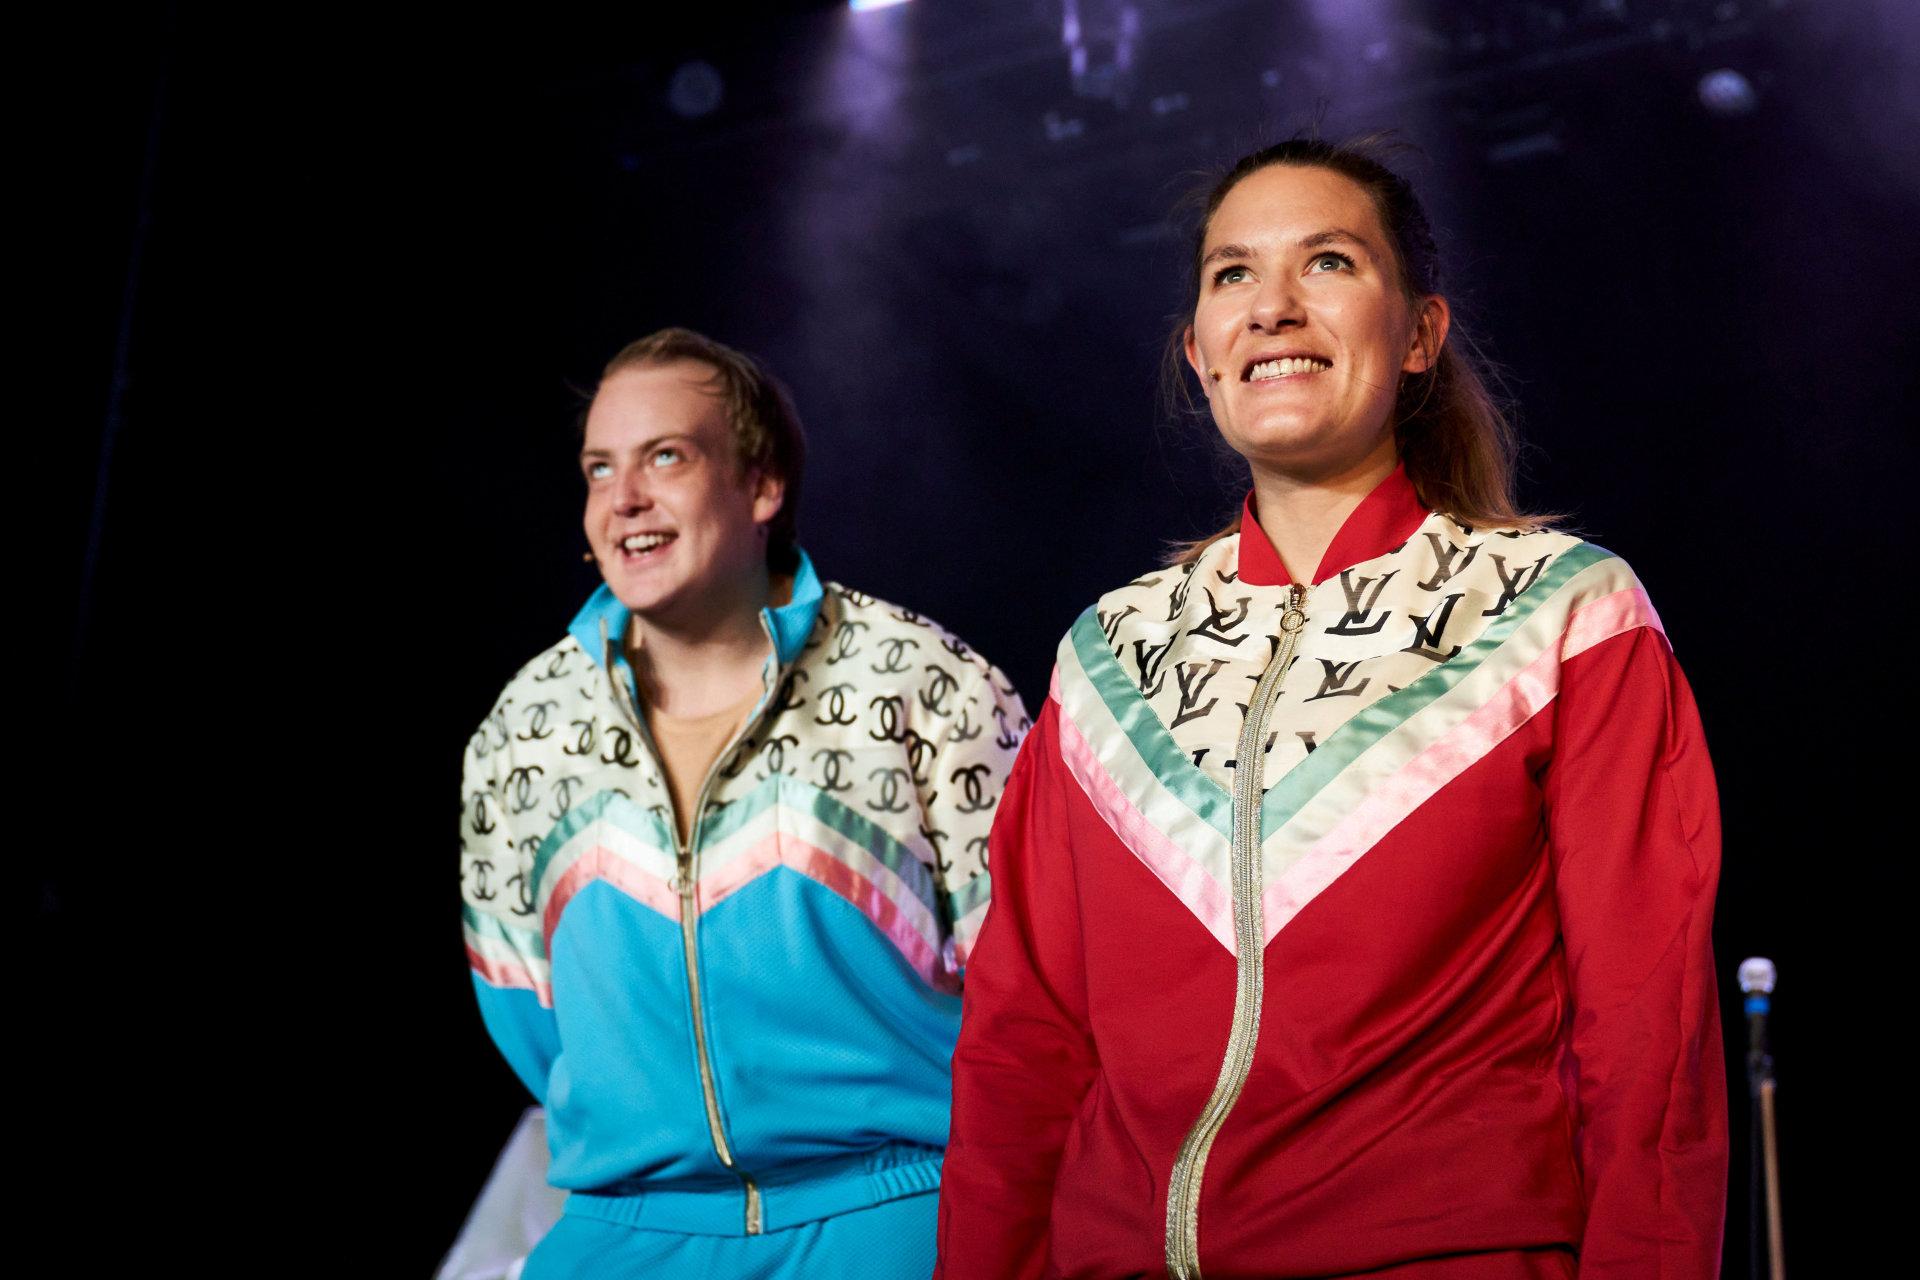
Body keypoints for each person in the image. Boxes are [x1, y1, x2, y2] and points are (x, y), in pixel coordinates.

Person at [937, 139, 1726, 1279]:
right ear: (1198, 355)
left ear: (1419, 337)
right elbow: (1023, 1043)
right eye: (1232, 277)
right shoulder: (1104, 656)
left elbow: (1648, 1030)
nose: (1272, 308)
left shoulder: (1564, 615)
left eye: (1329, 262)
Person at [460, 328, 1029, 1278]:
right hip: (624, 1232)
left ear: (761, 486)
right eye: (600, 469)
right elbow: (527, 1010)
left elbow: (1028, 990)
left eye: (666, 457)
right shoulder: (524, 727)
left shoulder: (925, 684)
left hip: (892, 1218)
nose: (624, 500)